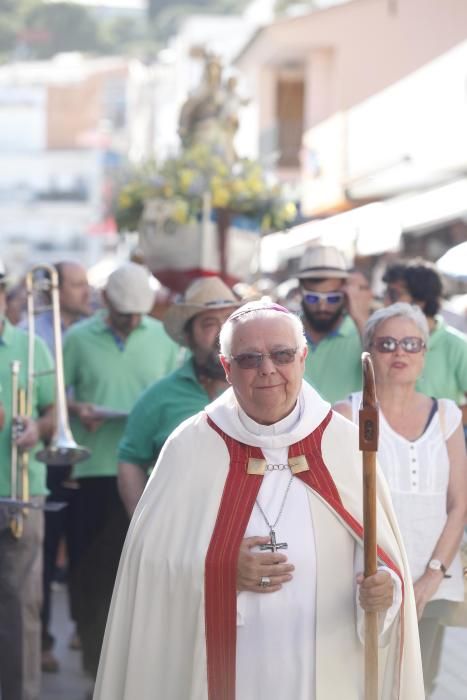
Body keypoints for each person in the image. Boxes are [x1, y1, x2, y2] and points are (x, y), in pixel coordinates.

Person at [94, 300, 424, 700]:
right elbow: (147, 568)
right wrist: (219, 569)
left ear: (302, 357)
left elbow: (375, 551)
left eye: (282, 355)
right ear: (227, 367)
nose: (268, 369)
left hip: (324, 662)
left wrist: (385, 588)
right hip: (223, 666)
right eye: (249, 359)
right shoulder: (192, 445)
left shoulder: (342, 442)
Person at [334, 302, 467, 696]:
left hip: (432, 581)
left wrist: (431, 576)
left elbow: (459, 504)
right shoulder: (347, 413)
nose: (399, 352)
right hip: (365, 581)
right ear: (369, 353)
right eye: (387, 343)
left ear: (425, 354)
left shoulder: (446, 415)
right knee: (361, 682)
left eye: (411, 344)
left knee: (419, 683)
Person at [63, 261, 181, 681]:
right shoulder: (77, 339)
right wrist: (77, 409)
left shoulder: (165, 339)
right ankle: (96, 669)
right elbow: (57, 400)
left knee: (144, 576)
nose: (132, 321)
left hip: (150, 473)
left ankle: (139, 669)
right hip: (93, 468)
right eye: (124, 313)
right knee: (92, 573)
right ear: (106, 301)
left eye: (138, 314)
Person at [118, 276, 242, 517]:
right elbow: (130, 458)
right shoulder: (158, 397)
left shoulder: (265, 384)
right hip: (184, 535)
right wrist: (142, 524)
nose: (222, 333)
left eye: (230, 321)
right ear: (188, 337)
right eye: (208, 324)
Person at [19, 261, 91, 673]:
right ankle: (43, 639)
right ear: (56, 290)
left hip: (79, 450)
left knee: (78, 545)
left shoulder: (87, 330)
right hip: (42, 454)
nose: (87, 292)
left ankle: (83, 625)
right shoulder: (35, 334)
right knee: (42, 557)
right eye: (79, 285)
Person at [0, 262, 55, 700]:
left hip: (20, 487)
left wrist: (37, 428)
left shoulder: (30, 346)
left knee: (21, 605)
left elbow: (54, 412)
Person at [382, 258, 467, 425]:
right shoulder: (382, 343)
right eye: (386, 293)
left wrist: (437, 428)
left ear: (420, 300)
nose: (385, 302)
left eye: (394, 295)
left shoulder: (457, 345)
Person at [297, 245, 371, 403]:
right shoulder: (287, 334)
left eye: (332, 298)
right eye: (313, 298)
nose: (322, 307)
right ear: (300, 291)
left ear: (346, 294)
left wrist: (358, 316)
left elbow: (382, 372)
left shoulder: (361, 334)